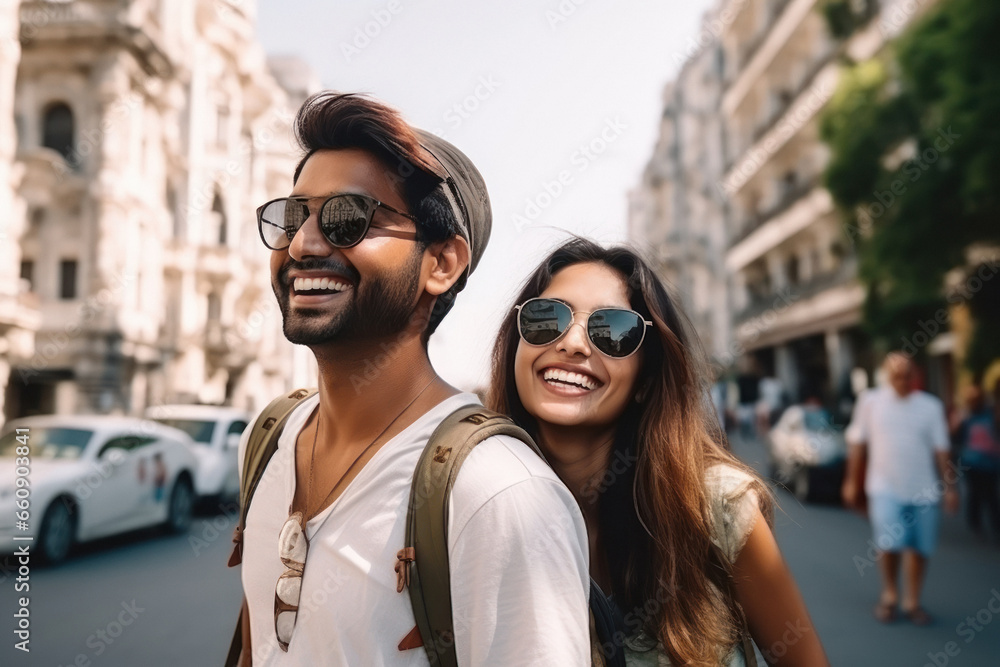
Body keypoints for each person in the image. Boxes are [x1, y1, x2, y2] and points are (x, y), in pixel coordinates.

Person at [237, 92, 590, 666]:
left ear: (442, 263)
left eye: (347, 218)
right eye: (292, 216)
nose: (303, 244)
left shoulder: (500, 493)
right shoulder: (268, 439)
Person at [488, 239, 829, 666]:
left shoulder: (714, 505)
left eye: (611, 330)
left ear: (645, 381)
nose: (573, 343)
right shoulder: (479, 508)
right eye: (546, 318)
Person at [842, 352, 959, 626]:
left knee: (920, 549)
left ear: (915, 375)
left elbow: (942, 450)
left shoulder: (930, 406)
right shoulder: (870, 402)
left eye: (907, 375)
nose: (902, 380)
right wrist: (850, 481)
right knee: (889, 544)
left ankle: (913, 601)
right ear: (886, 376)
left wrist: (950, 487)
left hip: (925, 490)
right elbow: (858, 443)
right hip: (884, 487)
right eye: (896, 375)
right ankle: (890, 594)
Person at [954, 384, 1000, 541]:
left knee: (991, 494)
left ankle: (995, 525)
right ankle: (976, 524)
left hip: (991, 462)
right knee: (975, 494)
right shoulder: (966, 416)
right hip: (971, 463)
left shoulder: (991, 414)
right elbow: (955, 433)